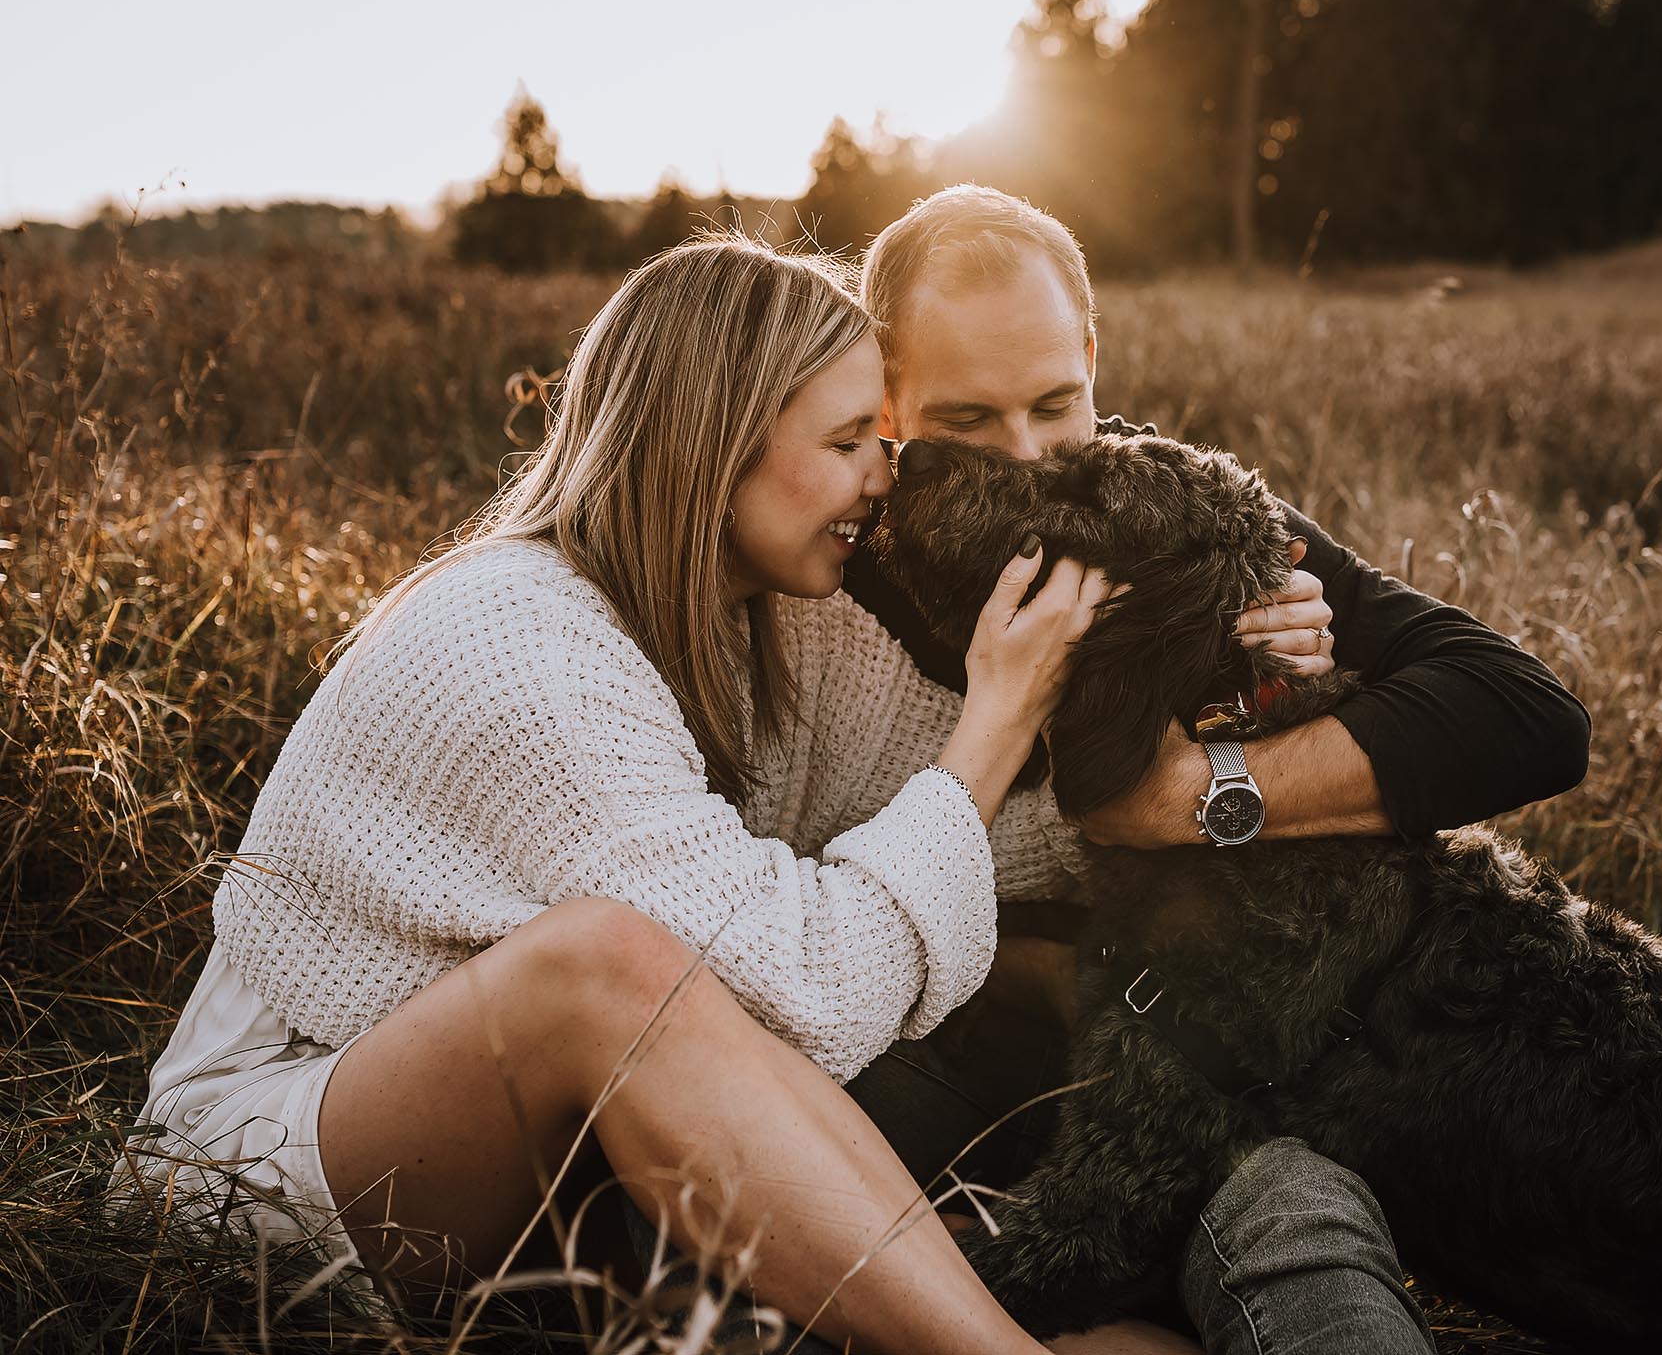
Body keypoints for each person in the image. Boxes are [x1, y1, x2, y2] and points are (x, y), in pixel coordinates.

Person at [836, 185, 1662, 1355]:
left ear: (1091, 361)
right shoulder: (834, 567)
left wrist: (1195, 794)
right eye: (966, 420)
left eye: (1055, 404)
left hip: (1217, 1066)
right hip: (970, 1059)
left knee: (1287, 1207)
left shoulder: (1160, 522)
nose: (1025, 457)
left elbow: (1522, 713)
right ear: (887, 403)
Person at [111, 235, 1166, 1354]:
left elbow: (1008, 832)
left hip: (548, 1177)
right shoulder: (525, 647)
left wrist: (1244, 752)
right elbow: (806, 994)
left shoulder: (766, 622)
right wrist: (994, 720)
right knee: (602, 971)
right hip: (258, 1166)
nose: (884, 476)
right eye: (851, 440)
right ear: (714, 448)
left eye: (887, 439)